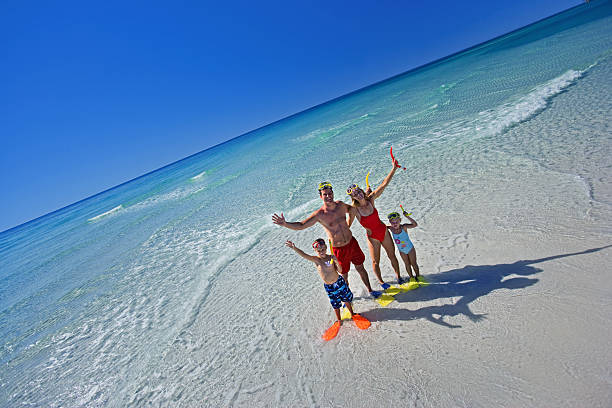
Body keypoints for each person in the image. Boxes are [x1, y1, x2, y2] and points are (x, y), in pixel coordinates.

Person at [272, 182, 381, 298]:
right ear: (321, 196)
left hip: (352, 243)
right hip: (339, 249)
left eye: (330, 193)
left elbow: (353, 209)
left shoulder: (341, 205)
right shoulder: (319, 215)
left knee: (360, 267)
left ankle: (370, 290)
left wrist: (364, 197)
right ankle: (347, 298)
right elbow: (301, 225)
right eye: (325, 194)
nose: (328, 196)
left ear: (333, 193)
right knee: (344, 274)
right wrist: (285, 223)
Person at [285, 239, 371, 330]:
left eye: (323, 249)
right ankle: (339, 320)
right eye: (319, 251)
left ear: (326, 248)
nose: (321, 252)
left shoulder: (331, 258)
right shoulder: (316, 260)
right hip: (329, 287)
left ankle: (352, 314)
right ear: (315, 251)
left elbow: (341, 271)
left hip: (339, 282)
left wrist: (336, 261)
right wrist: (294, 248)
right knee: (335, 303)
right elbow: (304, 255)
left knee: (346, 299)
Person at [347, 157, 403, 286]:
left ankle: (399, 277)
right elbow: (347, 226)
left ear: (361, 191)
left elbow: (384, 184)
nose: (358, 194)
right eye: (355, 194)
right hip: (372, 237)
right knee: (375, 261)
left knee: (392, 256)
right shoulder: (354, 210)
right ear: (353, 198)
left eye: (358, 191)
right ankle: (382, 282)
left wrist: (394, 168)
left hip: (384, 231)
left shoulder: (371, 199)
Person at [386, 210, 422, 282]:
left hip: (410, 249)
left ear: (400, 220)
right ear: (390, 222)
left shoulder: (404, 227)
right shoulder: (391, 228)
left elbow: (415, 225)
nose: (395, 224)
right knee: (407, 264)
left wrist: (407, 216)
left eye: (397, 222)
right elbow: (380, 227)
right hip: (402, 251)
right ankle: (411, 277)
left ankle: (418, 276)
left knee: (414, 263)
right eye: (393, 222)